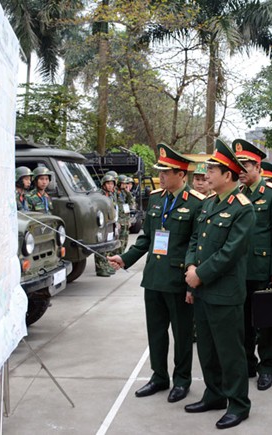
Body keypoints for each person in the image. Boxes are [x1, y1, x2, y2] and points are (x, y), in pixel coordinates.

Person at [108, 144, 205, 403]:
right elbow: (147, 239)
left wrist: (191, 284)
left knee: (182, 334)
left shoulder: (196, 203)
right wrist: (125, 258)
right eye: (160, 171)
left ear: (181, 174)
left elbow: (196, 246)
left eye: (167, 171)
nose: (161, 176)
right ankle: (159, 377)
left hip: (178, 280)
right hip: (153, 278)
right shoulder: (156, 198)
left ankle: (182, 380)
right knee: (156, 332)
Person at [184, 139, 254, 430]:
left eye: (213, 170)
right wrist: (190, 268)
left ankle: (238, 403)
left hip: (224, 291)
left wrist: (200, 274)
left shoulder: (243, 209)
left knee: (230, 351)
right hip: (201, 290)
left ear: (228, 175)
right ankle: (214, 395)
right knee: (208, 350)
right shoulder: (209, 203)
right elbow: (195, 241)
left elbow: (230, 253)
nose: (207, 174)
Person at [233, 138, 272, 391]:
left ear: (257, 167)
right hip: (240, 270)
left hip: (264, 269)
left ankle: (267, 368)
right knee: (243, 322)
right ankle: (248, 363)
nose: (240, 172)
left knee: (265, 323)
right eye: (238, 167)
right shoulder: (239, 195)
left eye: (244, 166)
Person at [95, 173, 117, 277]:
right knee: (101, 246)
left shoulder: (111, 195)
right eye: (108, 183)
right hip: (101, 224)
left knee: (107, 246)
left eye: (112, 183)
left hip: (109, 223)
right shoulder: (99, 196)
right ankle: (100, 268)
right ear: (104, 184)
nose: (110, 185)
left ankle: (105, 265)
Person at [116, 175, 132, 253]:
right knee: (119, 242)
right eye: (123, 183)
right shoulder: (115, 193)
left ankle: (121, 255)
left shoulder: (124, 192)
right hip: (119, 221)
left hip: (125, 220)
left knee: (125, 242)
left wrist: (128, 193)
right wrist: (117, 221)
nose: (125, 185)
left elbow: (131, 204)